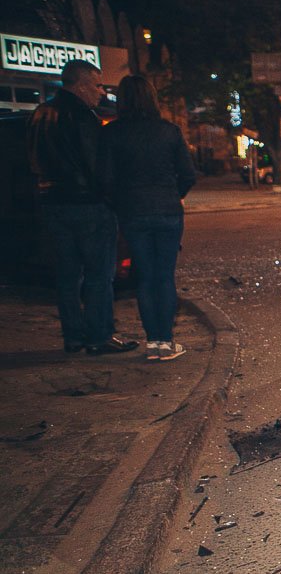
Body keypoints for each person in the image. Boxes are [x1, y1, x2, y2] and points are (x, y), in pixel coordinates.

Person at [27, 60, 138, 355]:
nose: (101, 92)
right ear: (81, 84)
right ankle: (99, 335)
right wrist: (111, 199)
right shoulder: (81, 116)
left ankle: (73, 335)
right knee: (99, 274)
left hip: (53, 204)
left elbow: (33, 161)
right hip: (87, 204)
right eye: (97, 85)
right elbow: (95, 166)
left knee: (67, 274)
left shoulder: (41, 114)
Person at [99, 75, 195, 361]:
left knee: (144, 276)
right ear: (153, 98)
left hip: (133, 212)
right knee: (164, 276)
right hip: (167, 209)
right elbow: (188, 174)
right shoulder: (169, 131)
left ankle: (153, 342)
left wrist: (121, 203)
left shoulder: (112, 133)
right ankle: (165, 341)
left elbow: (103, 179)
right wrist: (173, 194)